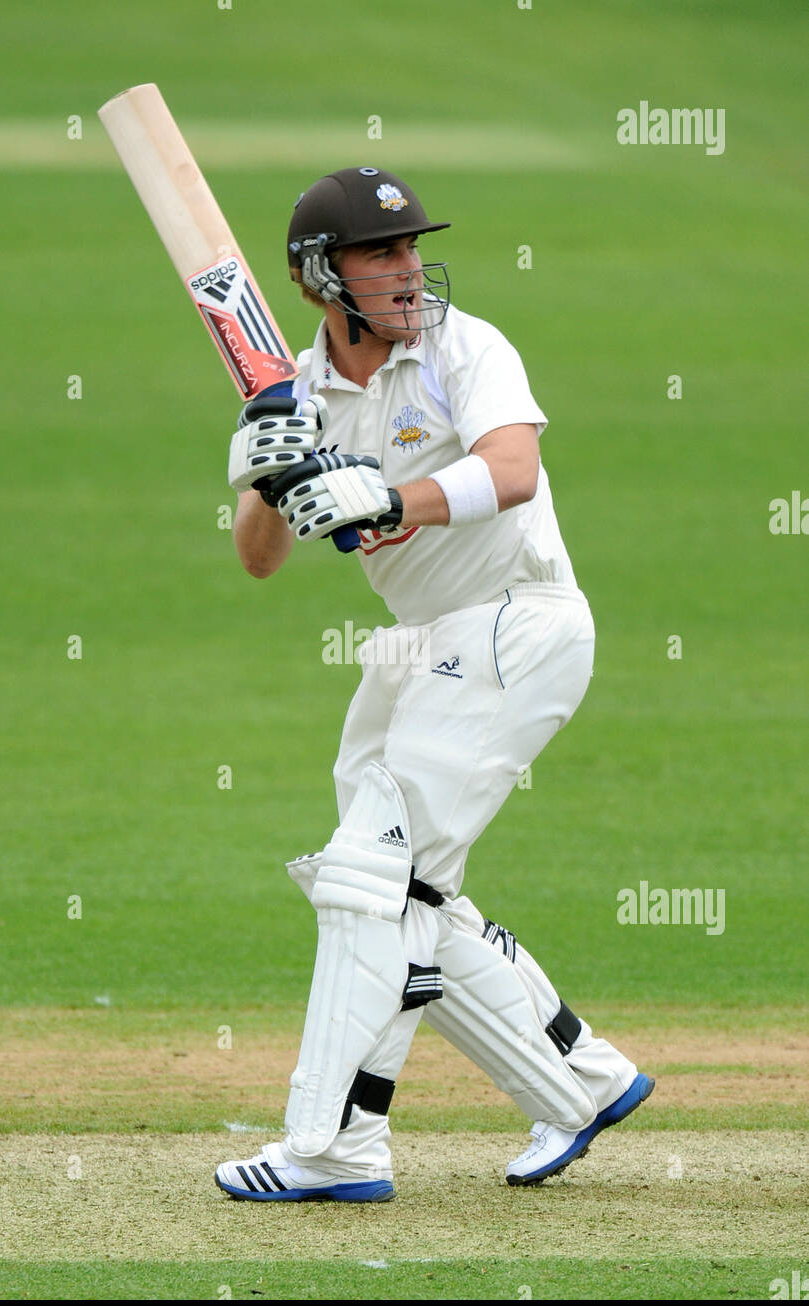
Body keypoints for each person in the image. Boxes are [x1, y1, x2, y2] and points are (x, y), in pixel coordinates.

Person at [215, 167, 653, 1203]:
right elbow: (258, 557)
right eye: (383, 252)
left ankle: (333, 1145)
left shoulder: (465, 346)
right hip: (421, 643)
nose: (410, 267)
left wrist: (386, 490)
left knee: (378, 880)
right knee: (389, 886)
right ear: (323, 277)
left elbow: (512, 471)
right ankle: (578, 1078)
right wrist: (269, 472)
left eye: (413, 246)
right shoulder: (301, 393)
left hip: (517, 617)